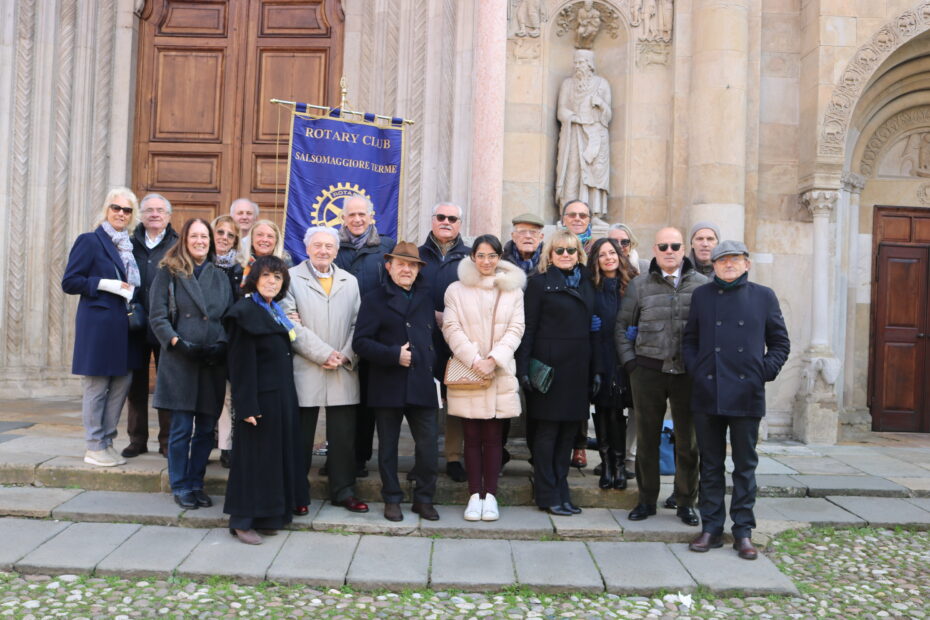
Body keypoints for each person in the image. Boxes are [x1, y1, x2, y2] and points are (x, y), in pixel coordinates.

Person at [684, 241, 790, 560]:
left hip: (747, 393)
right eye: (722, 260)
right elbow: (689, 339)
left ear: (747, 264)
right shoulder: (701, 296)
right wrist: (697, 371)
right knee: (711, 464)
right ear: (713, 265)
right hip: (708, 392)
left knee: (744, 465)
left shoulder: (764, 296)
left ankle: (743, 531)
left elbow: (780, 343)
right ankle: (712, 528)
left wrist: (762, 372)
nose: (728, 265)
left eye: (735, 260)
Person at [616, 227, 707, 525]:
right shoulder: (640, 285)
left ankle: (685, 502)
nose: (669, 251)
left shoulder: (702, 285)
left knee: (687, 442)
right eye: (663, 246)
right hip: (648, 372)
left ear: (684, 249)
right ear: (655, 250)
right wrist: (632, 364)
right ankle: (646, 500)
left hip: (687, 375)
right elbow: (621, 328)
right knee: (647, 439)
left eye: (675, 246)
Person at [224, 256, 310, 545]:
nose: (272, 281)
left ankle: (268, 516)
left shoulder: (274, 311)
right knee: (251, 462)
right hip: (257, 400)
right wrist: (246, 404)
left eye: (278, 277)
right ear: (255, 279)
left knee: (272, 460)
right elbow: (239, 363)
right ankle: (242, 520)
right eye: (267, 276)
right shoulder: (244, 312)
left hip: (281, 397)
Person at [283, 226, 368, 515]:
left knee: (343, 437)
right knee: (300, 436)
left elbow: (360, 323)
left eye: (329, 246)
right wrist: (322, 354)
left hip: (343, 367)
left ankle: (343, 491)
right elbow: (289, 322)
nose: (323, 251)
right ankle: (296, 492)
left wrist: (344, 355)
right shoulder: (291, 277)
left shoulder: (350, 281)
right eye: (317, 245)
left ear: (336, 250)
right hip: (306, 365)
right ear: (307, 248)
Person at [148, 218, 233, 509]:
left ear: (210, 242)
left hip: (211, 361)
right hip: (181, 360)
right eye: (194, 236)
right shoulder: (168, 272)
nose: (200, 241)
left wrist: (220, 345)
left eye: (204, 237)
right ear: (184, 240)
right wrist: (177, 343)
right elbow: (157, 317)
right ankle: (180, 485)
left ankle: (197, 482)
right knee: (182, 428)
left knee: (206, 429)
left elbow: (228, 318)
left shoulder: (220, 276)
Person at [354, 241, 440, 522]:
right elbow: (360, 343)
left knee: (428, 446)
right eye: (401, 264)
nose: (407, 269)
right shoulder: (373, 298)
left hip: (422, 382)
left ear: (418, 270)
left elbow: (431, 338)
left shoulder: (426, 297)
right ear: (389, 267)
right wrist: (394, 355)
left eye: (412, 265)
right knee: (388, 447)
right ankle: (392, 498)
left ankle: (424, 498)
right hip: (387, 382)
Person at [442, 235, 526, 521]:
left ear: (499, 257)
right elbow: (451, 327)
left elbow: (516, 328)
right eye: (481, 255)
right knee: (471, 435)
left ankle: (490, 495)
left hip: (499, 371)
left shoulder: (513, 291)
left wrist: (495, 360)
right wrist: (475, 359)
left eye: (492, 256)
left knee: (493, 437)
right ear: (472, 257)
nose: (486, 261)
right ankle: (473, 495)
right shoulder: (456, 289)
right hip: (469, 371)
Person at [516, 230, 599, 516]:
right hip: (549, 370)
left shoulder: (588, 283)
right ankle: (547, 493)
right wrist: (523, 368)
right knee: (547, 434)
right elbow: (528, 328)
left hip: (578, 369)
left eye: (571, 250)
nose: (566, 255)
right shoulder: (538, 284)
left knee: (567, 435)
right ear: (550, 254)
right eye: (560, 250)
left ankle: (562, 490)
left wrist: (596, 369)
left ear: (579, 254)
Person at [62, 187, 144, 467]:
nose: (121, 214)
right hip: (98, 328)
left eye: (127, 210)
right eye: (116, 208)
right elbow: (70, 282)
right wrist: (102, 283)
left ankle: (107, 441)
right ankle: (94, 444)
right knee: (97, 387)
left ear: (133, 216)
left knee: (121, 385)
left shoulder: (131, 246)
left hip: (127, 329)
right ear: (107, 210)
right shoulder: (89, 241)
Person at [333, 194, 396, 476]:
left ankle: (359, 458)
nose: (357, 220)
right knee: (340, 403)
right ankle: (338, 458)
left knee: (367, 402)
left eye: (362, 215)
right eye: (351, 215)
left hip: (372, 337)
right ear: (343, 218)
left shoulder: (386, 247)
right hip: (336, 334)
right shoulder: (331, 246)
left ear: (372, 217)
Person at [122, 193, 179, 459]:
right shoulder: (127, 243)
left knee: (167, 385)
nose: (154, 214)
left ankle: (167, 441)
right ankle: (137, 439)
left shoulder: (178, 244)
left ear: (168, 216)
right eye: (149, 210)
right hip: (134, 323)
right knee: (135, 385)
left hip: (166, 324)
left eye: (160, 210)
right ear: (140, 215)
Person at [418, 202, 471, 483]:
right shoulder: (417, 255)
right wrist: (432, 315)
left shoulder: (470, 258)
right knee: (423, 399)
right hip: (422, 338)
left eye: (453, 218)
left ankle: (453, 458)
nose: (446, 222)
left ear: (460, 224)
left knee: (455, 400)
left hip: (456, 341)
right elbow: (409, 294)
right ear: (433, 220)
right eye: (441, 217)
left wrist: (450, 318)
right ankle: (422, 458)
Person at [587, 238, 637, 490]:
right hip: (599, 355)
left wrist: (636, 332)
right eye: (603, 254)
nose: (608, 258)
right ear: (596, 260)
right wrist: (588, 326)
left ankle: (619, 465)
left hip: (623, 356)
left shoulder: (632, 284)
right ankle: (605, 464)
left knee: (618, 411)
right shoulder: (591, 285)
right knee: (603, 409)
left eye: (612, 253)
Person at [560, 199, 596, 468]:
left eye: (582, 215)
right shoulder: (555, 243)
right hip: (561, 324)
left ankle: (579, 445)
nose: (577, 218)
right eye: (572, 214)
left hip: (589, 322)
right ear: (563, 219)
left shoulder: (596, 247)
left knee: (581, 388)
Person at [555, 49, 612, 217]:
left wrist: (601, 104)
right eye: (576, 62)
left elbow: (608, 116)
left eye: (582, 62)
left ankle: (593, 215)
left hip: (596, 135)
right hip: (573, 133)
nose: (578, 66)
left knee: (594, 174)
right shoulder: (568, 84)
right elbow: (561, 110)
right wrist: (573, 117)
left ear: (590, 65)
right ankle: (569, 213)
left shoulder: (602, 84)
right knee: (572, 172)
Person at [211, 214, 244, 469]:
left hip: (230, 339)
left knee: (227, 397)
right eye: (220, 232)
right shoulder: (199, 263)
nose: (224, 238)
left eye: (230, 235)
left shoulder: (239, 269)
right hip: (203, 338)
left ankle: (227, 446)